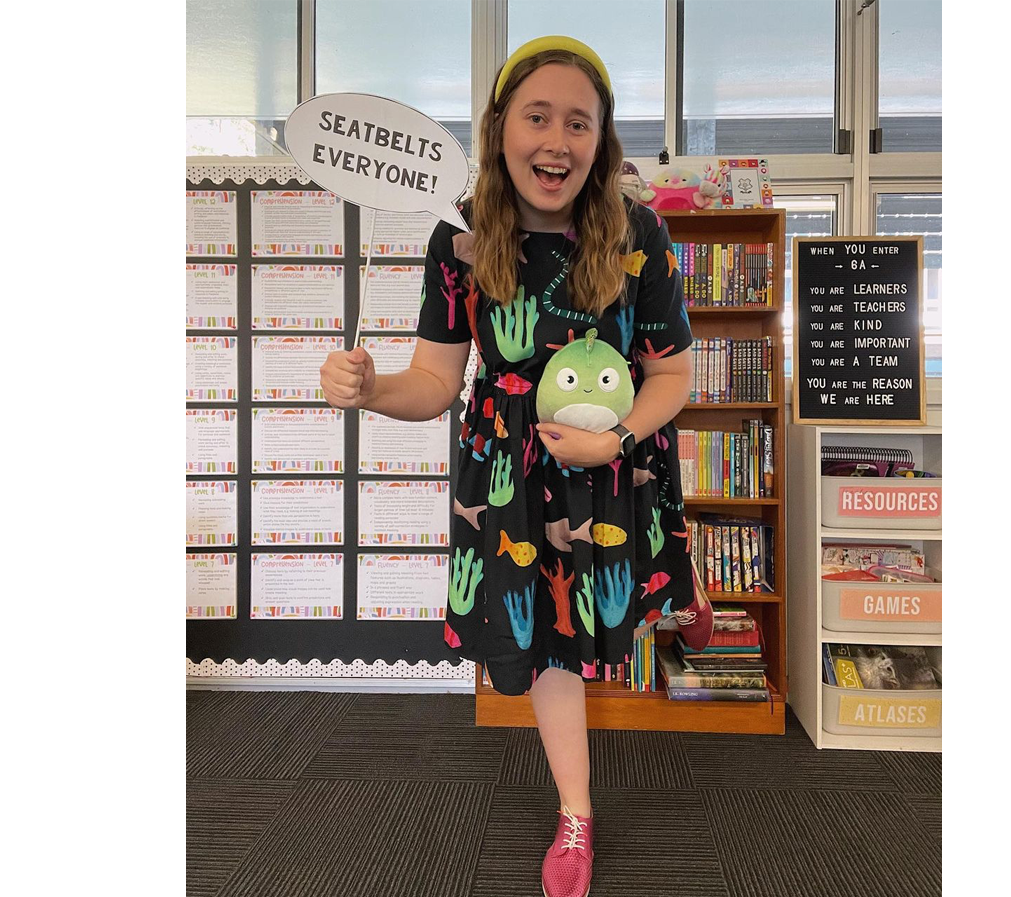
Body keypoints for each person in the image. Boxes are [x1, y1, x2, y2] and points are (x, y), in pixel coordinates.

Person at [320, 34, 712, 897]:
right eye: (538, 117)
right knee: (546, 648)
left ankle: (681, 589)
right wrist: (372, 386)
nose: (556, 141)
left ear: (601, 139)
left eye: (579, 122)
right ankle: (577, 811)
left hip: (611, 460)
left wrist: (618, 437)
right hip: (508, 473)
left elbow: (674, 372)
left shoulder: (639, 231)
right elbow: (433, 381)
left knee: (636, 579)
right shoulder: (458, 238)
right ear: (500, 129)